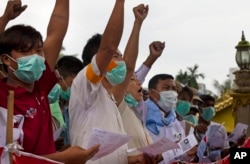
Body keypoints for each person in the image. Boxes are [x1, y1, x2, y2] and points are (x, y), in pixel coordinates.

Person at [0, 0, 99, 163]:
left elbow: (56, 32)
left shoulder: (40, 86)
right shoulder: (3, 97)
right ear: (6, 59)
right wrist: (4, 19)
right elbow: (10, 159)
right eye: (26, 52)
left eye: (39, 51)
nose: (36, 57)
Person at [69, 1, 151, 163]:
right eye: (115, 56)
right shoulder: (86, 87)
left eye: (120, 56)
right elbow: (108, 47)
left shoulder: (111, 98)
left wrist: (137, 23)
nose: (121, 61)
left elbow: (128, 67)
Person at [145, 74, 186, 163]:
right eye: (166, 88)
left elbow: (182, 150)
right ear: (152, 93)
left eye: (174, 89)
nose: (172, 92)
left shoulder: (175, 120)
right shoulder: (141, 113)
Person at [48, 56, 84, 147]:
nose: (76, 88)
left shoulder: (72, 106)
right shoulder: (51, 106)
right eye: (72, 83)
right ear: (60, 79)